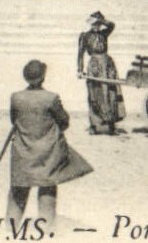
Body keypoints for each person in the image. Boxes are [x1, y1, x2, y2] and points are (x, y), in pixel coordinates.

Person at [6, 59, 91, 231]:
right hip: (48, 151)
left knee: (19, 188)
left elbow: (13, 120)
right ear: (43, 77)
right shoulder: (51, 98)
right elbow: (64, 121)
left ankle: (10, 227)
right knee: (47, 187)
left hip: (22, 149)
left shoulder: (16, 98)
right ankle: (46, 228)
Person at [77, 10, 124, 135]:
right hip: (94, 67)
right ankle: (94, 126)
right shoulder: (84, 36)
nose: (96, 26)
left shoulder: (104, 33)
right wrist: (80, 70)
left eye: (98, 24)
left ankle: (111, 125)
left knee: (110, 93)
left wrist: (102, 20)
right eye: (94, 24)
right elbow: (80, 54)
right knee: (95, 94)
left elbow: (112, 25)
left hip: (108, 66)